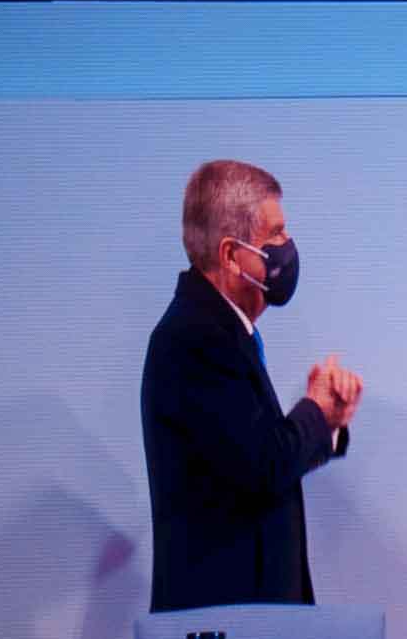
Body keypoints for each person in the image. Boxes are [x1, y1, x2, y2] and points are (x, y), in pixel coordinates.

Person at [141, 160, 362, 613]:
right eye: (274, 236)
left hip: (253, 622)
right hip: (223, 627)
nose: (287, 247)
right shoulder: (194, 338)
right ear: (229, 254)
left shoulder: (225, 332)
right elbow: (265, 463)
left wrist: (329, 421)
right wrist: (316, 409)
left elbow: (256, 460)